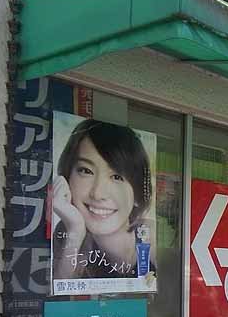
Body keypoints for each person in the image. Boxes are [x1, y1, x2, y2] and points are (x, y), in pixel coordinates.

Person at [52, 118, 156, 280]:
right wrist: (75, 231)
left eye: (117, 177)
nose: (98, 193)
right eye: (86, 171)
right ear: (67, 179)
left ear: (138, 194)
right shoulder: (68, 232)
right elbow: (60, 290)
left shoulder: (150, 237)